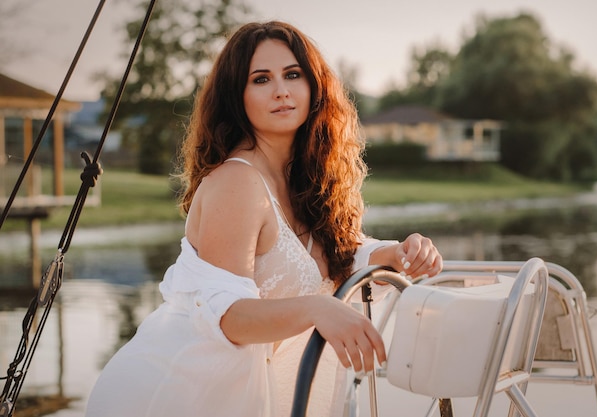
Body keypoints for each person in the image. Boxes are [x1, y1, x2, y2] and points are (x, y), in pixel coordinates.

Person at [85, 20, 442, 417]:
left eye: (293, 74)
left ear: (314, 87)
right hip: (183, 395)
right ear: (237, 96)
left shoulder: (303, 178)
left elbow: (329, 255)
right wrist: (317, 309)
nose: (281, 91)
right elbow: (228, 316)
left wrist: (395, 253)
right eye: (261, 79)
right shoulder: (236, 181)